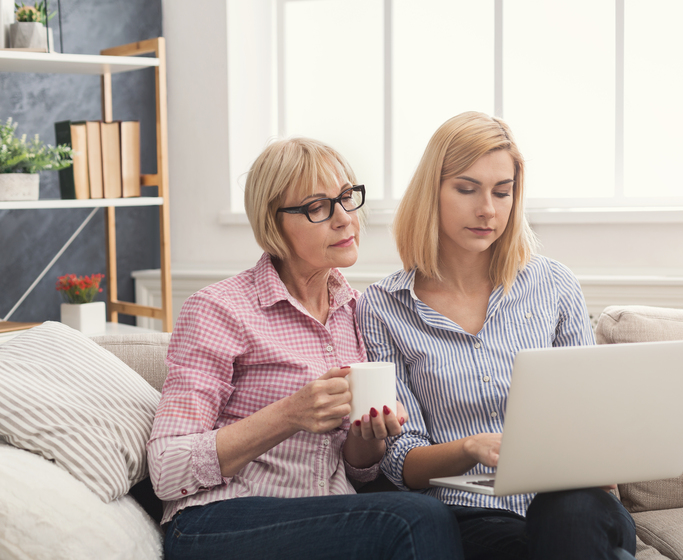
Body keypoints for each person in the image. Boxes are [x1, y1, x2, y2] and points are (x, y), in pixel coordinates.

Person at [147, 138, 464, 560]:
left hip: (324, 515)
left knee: (430, 514)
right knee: (417, 517)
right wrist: (290, 414)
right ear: (273, 222)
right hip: (218, 523)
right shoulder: (218, 309)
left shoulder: (356, 311)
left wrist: (367, 434)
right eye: (318, 206)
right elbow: (167, 469)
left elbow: (359, 469)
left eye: (346, 198)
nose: (344, 219)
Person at [356, 112, 637, 560]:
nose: (488, 209)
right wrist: (471, 448)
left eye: (502, 192)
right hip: (470, 516)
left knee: (567, 512)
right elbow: (401, 461)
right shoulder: (384, 306)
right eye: (467, 189)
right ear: (432, 192)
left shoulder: (553, 284)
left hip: (575, 504)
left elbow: (590, 416)